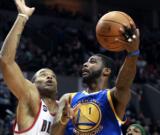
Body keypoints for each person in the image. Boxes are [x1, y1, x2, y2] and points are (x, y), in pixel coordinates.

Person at [51, 23, 140, 134]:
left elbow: (123, 85)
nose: (85, 64)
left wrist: (132, 54)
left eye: (92, 61)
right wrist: (63, 120)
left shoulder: (112, 97)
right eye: (86, 61)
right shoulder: (68, 98)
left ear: (106, 71)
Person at [0, 0, 58, 134]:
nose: (49, 76)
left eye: (53, 76)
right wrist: (22, 17)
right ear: (32, 83)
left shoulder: (64, 106)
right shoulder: (30, 96)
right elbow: (6, 61)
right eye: (43, 75)